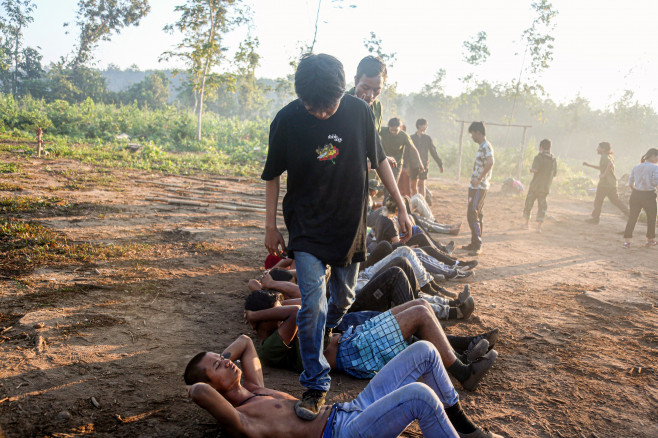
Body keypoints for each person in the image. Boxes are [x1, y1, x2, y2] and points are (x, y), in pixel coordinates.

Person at [262, 53, 413, 420]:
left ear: (340, 94)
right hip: (307, 226)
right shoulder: (286, 119)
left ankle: (323, 330)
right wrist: (270, 225)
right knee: (312, 305)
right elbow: (272, 175)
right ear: (302, 97)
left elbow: (379, 162)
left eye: (329, 106)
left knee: (342, 298)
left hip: (349, 224)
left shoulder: (360, 113)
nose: (322, 113)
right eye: (314, 107)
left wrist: (403, 205)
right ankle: (315, 383)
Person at [185, 335, 503, 438]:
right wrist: (198, 384)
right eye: (217, 366)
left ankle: (467, 430)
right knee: (420, 396)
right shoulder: (244, 419)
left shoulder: (254, 388)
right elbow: (199, 392)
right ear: (212, 386)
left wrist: (220, 360)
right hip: (343, 434)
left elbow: (244, 343)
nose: (227, 362)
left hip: (350, 411)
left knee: (424, 350)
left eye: (221, 357)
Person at [243, 293, 497, 391]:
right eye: (272, 312)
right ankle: (464, 373)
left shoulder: (276, 332)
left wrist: (264, 310)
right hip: (352, 353)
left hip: (353, 340)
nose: (276, 315)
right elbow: (299, 311)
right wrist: (256, 315)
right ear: (261, 321)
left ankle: (461, 359)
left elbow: (299, 304)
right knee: (419, 315)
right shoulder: (268, 348)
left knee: (421, 305)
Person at [462, 122, 494, 256]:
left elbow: (490, 162)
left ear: (478, 132)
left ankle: (478, 244)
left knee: (472, 213)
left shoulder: (486, 146)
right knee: (476, 214)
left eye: (472, 134)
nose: (472, 137)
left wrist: (480, 179)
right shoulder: (482, 146)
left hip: (479, 186)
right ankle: (474, 242)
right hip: (477, 186)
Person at [583, 141, 629, 224]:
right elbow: (602, 167)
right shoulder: (609, 156)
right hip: (612, 183)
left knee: (598, 201)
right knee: (615, 200)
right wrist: (589, 165)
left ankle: (595, 219)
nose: (597, 149)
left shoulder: (604, 156)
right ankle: (629, 214)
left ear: (603, 149)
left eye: (598, 148)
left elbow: (609, 164)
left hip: (605, 184)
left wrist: (603, 175)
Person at [622, 148, 658, 248]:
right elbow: (656, 182)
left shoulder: (636, 167)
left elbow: (630, 183)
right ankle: (650, 239)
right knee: (651, 218)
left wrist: (637, 191)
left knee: (632, 218)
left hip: (636, 195)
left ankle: (627, 241)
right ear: (653, 156)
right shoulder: (655, 168)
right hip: (649, 195)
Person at [523, 139, 558, 233]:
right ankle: (538, 227)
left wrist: (531, 169)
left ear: (541, 147)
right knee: (542, 207)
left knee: (529, 204)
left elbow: (535, 170)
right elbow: (554, 173)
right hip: (545, 187)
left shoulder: (538, 157)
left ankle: (526, 224)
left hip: (535, 186)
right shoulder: (553, 159)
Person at [380, 117, 423, 189]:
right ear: (388, 127)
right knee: (381, 184)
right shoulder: (383, 130)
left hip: (396, 164)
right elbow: (371, 130)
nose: (393, 132)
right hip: (383, 161)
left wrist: (420, 163)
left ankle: (387, 199)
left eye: (396, 130)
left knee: (392, 186)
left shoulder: (404, 136)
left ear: (401, 127)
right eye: (391, 130)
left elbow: (414, 149)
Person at [410, 118, 444, 197]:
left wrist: (440, 164)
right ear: (419, 125)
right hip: (413, 164)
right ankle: (416, 201)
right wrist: (405, 165)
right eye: (425, 125)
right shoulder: (411, 138)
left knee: (422, 184)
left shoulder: (427, 138)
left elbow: (433, 152)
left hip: (424, 164)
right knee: (413, 185)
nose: (426, 127)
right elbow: (407, 152)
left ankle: (422, 203)